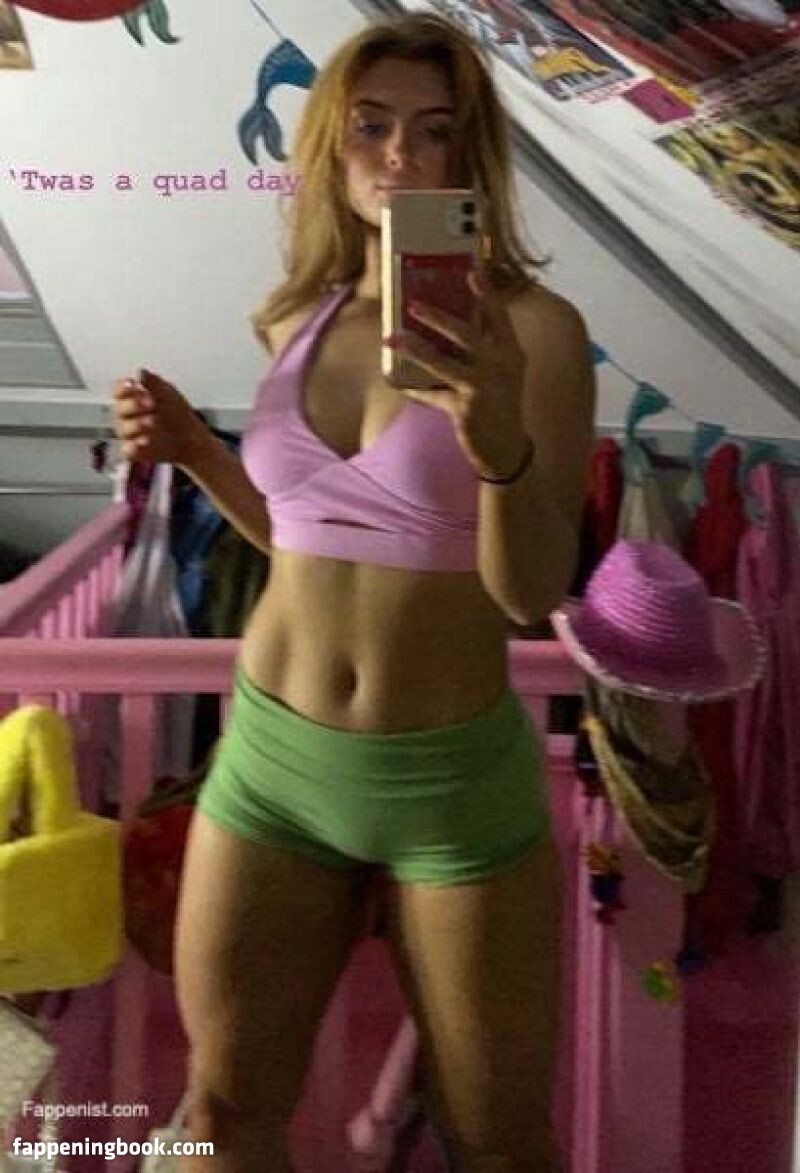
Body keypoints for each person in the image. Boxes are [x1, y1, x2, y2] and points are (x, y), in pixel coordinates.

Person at [111, 13, 596, 1172]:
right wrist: (194, 452)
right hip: (272, 764)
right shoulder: (295, 317)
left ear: (470, 158)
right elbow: (301, 542)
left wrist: (496, 440)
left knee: (498, 1142)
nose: (399, 158)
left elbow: (528, 593)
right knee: (222, 1115)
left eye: (433, 132)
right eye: (371, 127)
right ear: (331, 145)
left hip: (449, 777)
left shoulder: (535, 333)